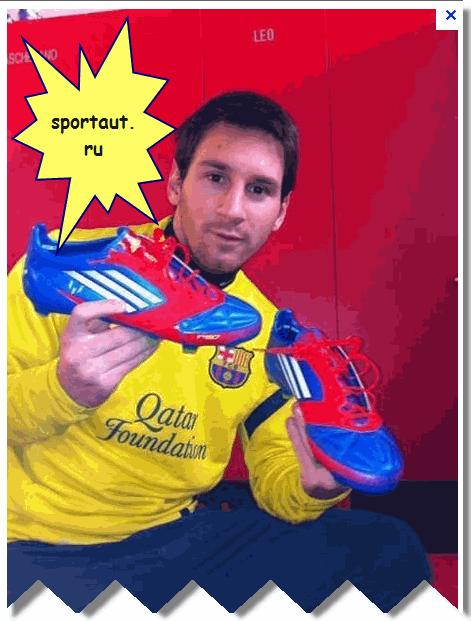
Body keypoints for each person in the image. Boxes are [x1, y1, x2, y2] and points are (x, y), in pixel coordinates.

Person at [7, 91, 431, 613]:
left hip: (173, 543)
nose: (233, 209)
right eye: (215, 177)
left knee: (388, 549)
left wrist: (315, 486)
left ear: (280, 212)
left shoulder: (265, 329)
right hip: (35, 546)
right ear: (175, 183)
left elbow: (277, 483)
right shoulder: (75, 270)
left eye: (259, 190)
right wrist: (64, 389)